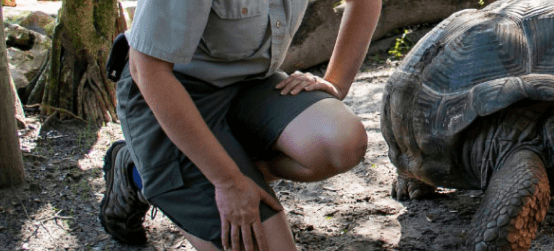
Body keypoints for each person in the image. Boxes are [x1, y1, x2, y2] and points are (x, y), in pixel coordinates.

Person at [96, 0, 381, 249]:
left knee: (340, 142)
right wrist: (228, 182)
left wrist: (335, 82)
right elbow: (147, 70)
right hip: (169, 96)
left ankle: (211, 173)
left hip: (249, 84)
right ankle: (141, 174)